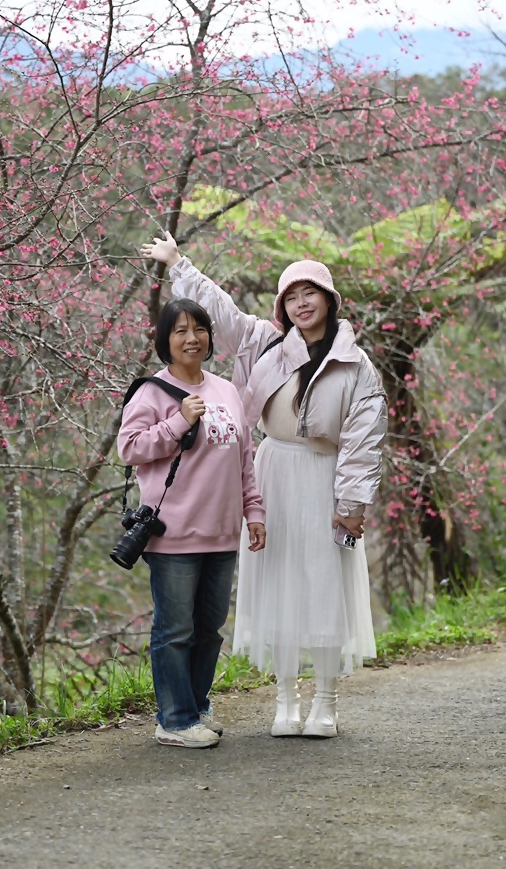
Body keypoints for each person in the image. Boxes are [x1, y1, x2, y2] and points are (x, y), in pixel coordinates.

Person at [141, 233, 387, 739]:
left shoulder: (355, 363)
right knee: (278, 584)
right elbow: (221, 313)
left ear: (329, 299)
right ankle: (285, 699)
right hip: (272, 474)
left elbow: (363, 439)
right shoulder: (265, 343)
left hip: (326, 477)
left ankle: (326, 701)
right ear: (282, 305)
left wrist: (352, 503)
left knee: (323, 587)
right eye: (291, 296)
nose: (301, 304)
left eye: (310, 293)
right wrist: (178, 264)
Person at [118, 298, 266, 749]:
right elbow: (129, 449)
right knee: (175, 630)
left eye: (199, 329)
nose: (192, 338)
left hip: (222, 533)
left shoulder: (225, 391)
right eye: (180, 330)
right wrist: (177, 423)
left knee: (208, 628)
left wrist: (253, 511)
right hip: (174, 535)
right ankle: (175, 720)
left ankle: (196, 708)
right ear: (164, 339)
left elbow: (244, 459)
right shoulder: (152, 393)